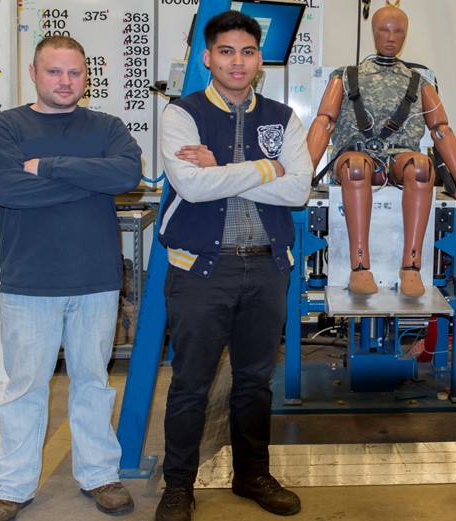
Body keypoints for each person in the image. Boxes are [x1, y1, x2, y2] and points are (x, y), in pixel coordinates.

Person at [0, 36, 142, 521]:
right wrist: (89, 181)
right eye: (55, 72)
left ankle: (99, 476)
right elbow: (7, 189)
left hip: (96, 279)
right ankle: (11, 485)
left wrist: (48, 168)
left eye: (75, 73)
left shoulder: (107, 126)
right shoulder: (3, 127)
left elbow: (126, 174)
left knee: (93, 380)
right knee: (25, 385)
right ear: (33, 72)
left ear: (86, 76)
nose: (66, 82)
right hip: (30, 281)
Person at [154, 10, 312, 521]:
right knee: (189, 385)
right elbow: (192, 187)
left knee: (254, 383)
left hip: (267, 269)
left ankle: (252, 473)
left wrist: (223, 170)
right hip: (201, 269)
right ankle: (178, 485)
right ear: (208, 58)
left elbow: (297, 189)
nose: (237, 62)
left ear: (258, 59)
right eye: (226, 51)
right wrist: (269, 169)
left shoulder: (283, 118)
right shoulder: (182, 114)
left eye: (247, 52)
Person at [307, 5, 456, 297]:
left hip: (398, 159)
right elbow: (324, 122)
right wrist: (305, 171)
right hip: (355, 157)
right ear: (373, 32)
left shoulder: (419, 81)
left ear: (405, 35)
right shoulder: (346, 75)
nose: (391, 37)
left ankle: (411, 266)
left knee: (421, 167)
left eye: (398, 31)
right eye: (384, 30)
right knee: (356, 167)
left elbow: (441, 129)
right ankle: (360, 266)